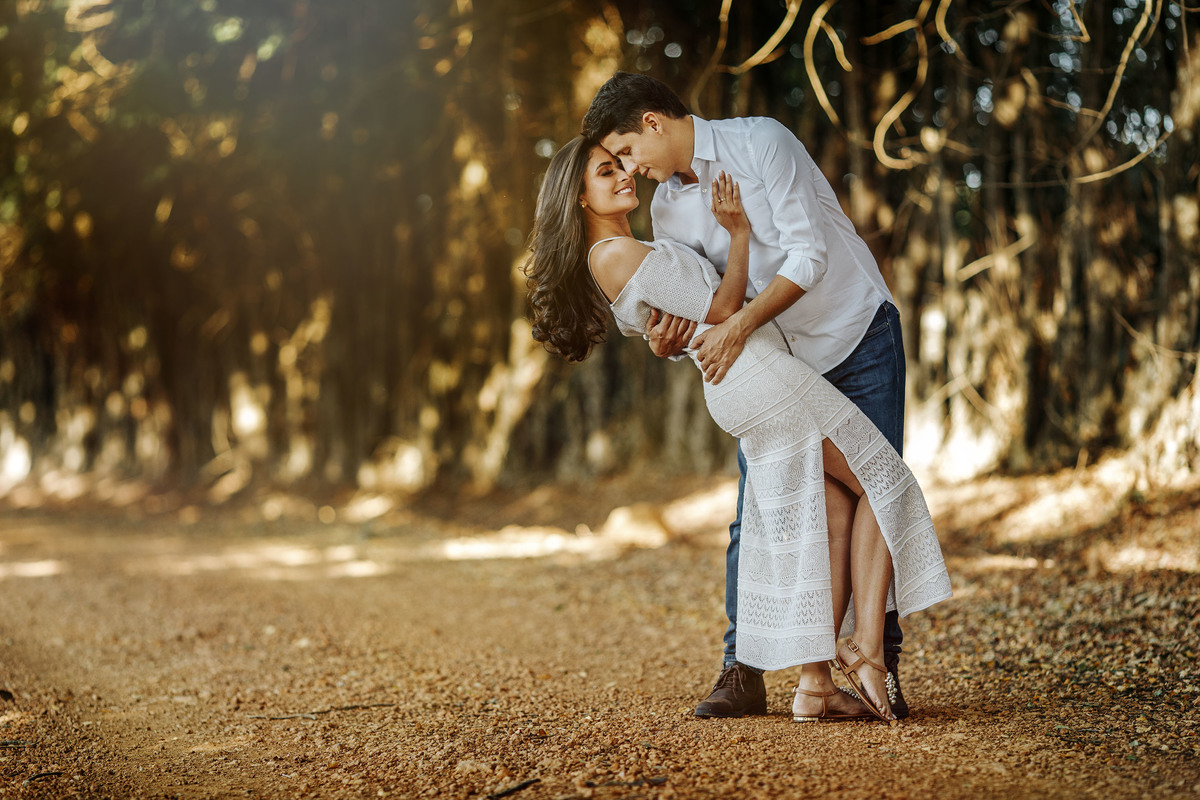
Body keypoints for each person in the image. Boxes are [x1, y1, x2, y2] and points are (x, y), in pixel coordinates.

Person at [523, 136, 952, 723]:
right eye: (606, 170)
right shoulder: (615, 255)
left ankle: (814, 685)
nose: (625, 175)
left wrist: (667, 332)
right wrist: (740, 233)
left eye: (622, 164)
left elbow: (690, 322)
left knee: (828, 513)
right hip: (758, 376)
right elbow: (725, 311)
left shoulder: (629, 246)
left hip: (754, 377)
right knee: (885, 478)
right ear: (577, 195)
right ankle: (866, 649)